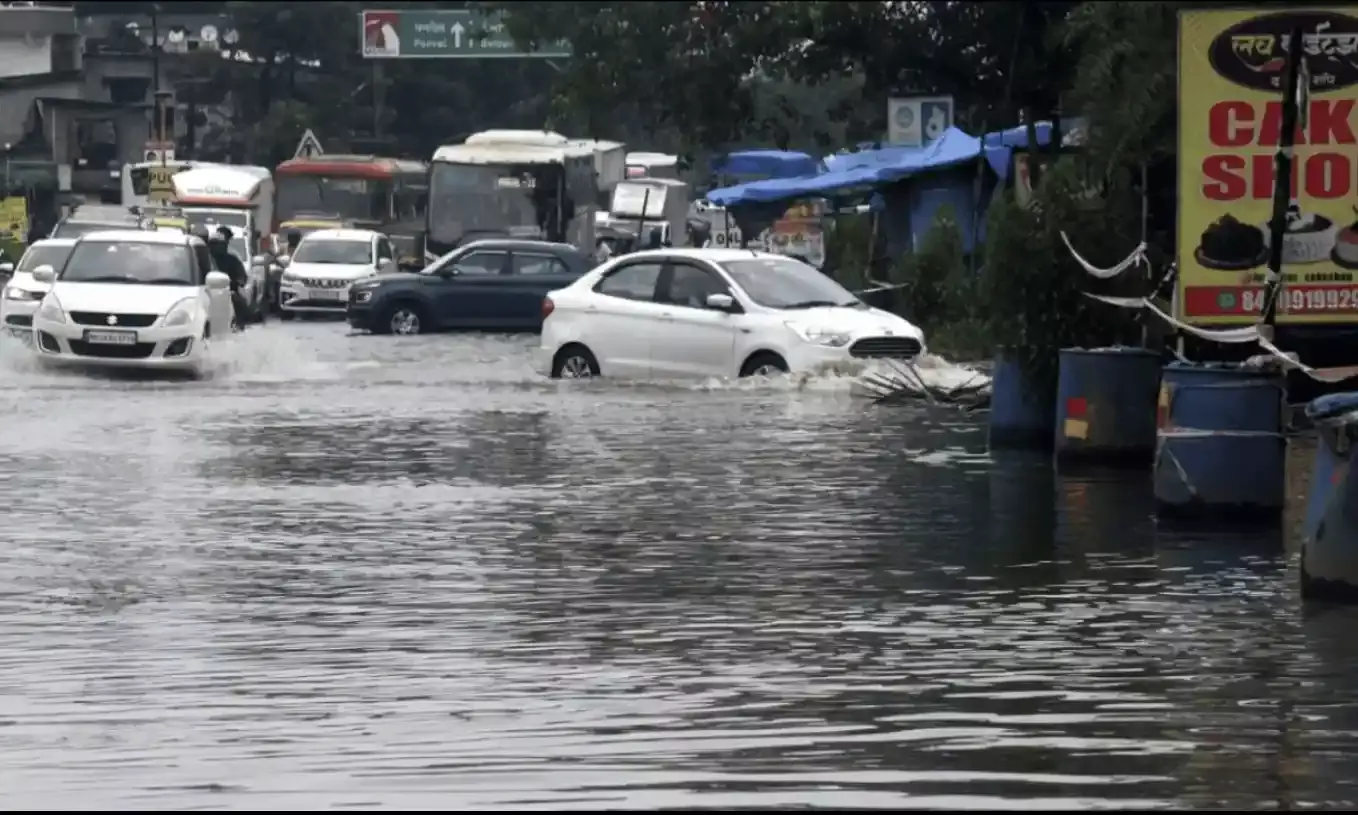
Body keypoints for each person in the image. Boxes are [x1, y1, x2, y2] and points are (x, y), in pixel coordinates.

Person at [207, 227, 250, 329]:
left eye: (218, 244)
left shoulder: (232, 260)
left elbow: (242, 277)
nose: (215, 247)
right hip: (206, 293)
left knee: (239, 302)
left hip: (227, 293)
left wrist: (237, 282)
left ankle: (238, 326)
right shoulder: (204, 259)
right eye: (213, 244)